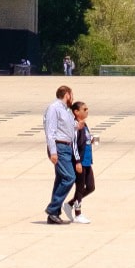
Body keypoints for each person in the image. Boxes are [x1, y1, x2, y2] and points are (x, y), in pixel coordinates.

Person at [43, 85, 80, 223]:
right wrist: (53, 151)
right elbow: (50, 131)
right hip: (59, 147)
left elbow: (67, 127)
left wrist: (77, 126)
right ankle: (53, 209)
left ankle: (54, 214)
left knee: (60, 179)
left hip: (66, 147)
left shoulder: (66, 110)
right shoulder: (54, 108)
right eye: (72, 94)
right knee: (69, 177)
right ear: (67, 95)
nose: (73, 98)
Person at [67, 101, 96, 224]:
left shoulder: (84, 125)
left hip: (87, 160)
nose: (87, 111)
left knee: (90, 187)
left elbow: (85, 139)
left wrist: (92, 139)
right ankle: (78, 214)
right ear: (76, 112)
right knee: (80, 188)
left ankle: (70, 204)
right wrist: (77, 161)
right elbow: (73, 144)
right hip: (80, 161)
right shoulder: (75, 125)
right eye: (84, 109)